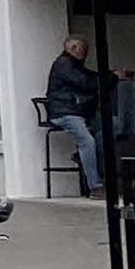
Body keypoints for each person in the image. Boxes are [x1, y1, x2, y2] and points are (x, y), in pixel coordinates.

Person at [45, 32, 108, 196]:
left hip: (74, 110)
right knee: (87, 141)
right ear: (74, 48)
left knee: (111, 127)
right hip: (64, 111)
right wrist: (111, 78)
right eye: (84, 49)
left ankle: (86, 157)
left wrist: (109, 76)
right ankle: (95, 186)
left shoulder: (71, 64)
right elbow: (85, 82)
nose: (86, 53)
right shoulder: (64, 65)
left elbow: (88, 77)